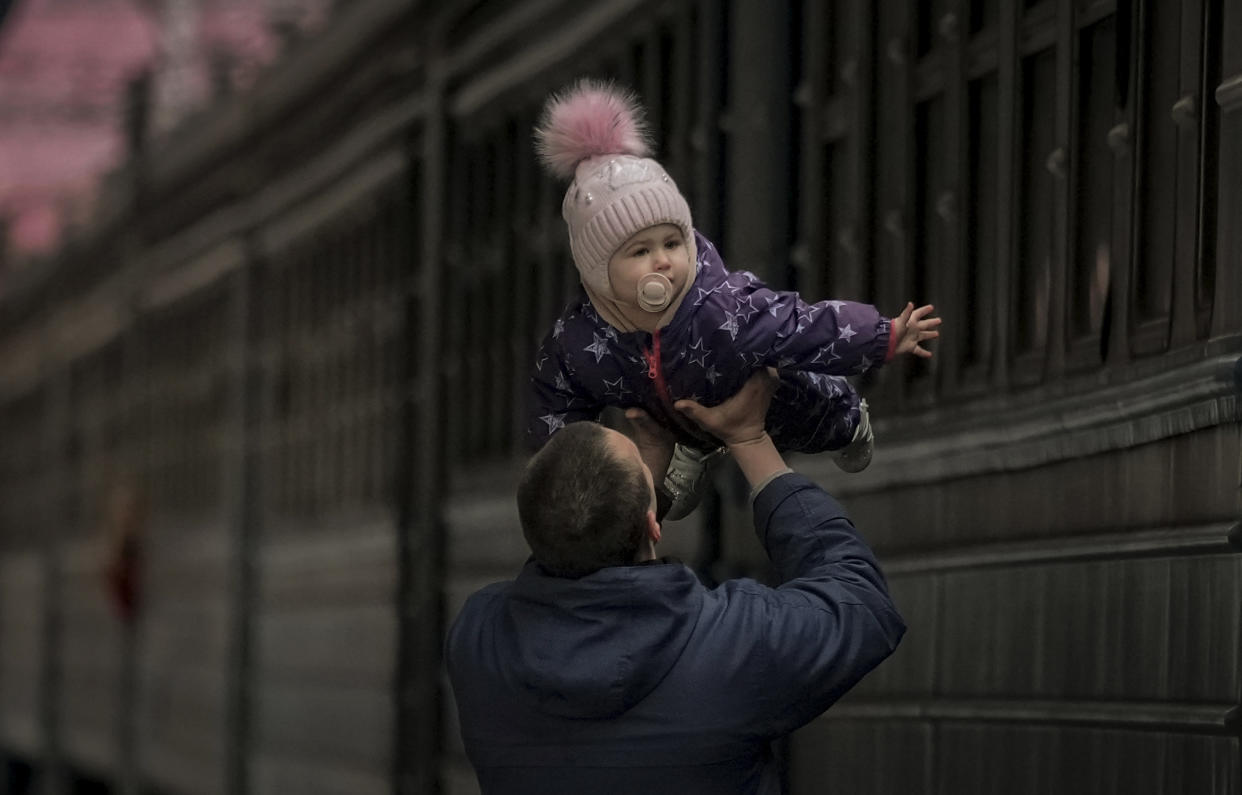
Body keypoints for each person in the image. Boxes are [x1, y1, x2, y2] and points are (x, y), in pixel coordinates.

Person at [447, 370, 906, 795]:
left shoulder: (478, 640)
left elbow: (570, 542)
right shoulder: (730, 648)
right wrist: (750, 440)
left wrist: (642, 488)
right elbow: (861, 603)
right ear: (652, 523)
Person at [527, 79, 941, 519]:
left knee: (814, 411)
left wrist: (883, 336)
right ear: (597, 270)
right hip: (673, 416)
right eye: (641, 252)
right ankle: (694, 447)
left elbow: (804, 324)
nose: (663, 261)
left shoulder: (725, 308)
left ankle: (848, 418)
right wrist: (556, 471)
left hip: (771, 398)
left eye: (672, 242)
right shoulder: (583, 339)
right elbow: (555, 394)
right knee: (661, 477)